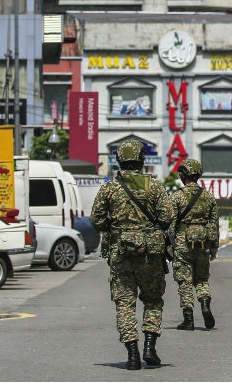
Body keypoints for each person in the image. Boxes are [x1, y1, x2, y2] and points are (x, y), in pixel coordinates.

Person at [91, 140, 174, 370]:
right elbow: (167, 217)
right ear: (141, 160)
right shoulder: (154, 186)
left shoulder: (109, 187)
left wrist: (115, 226)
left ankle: (132, 355)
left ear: (119, 160)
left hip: (121, 253)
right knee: (153, 299)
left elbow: (96, 220)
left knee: (124, 303)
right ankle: (150, 346)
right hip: (150, 253)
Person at [170, 158, 219, 330]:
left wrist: (170, 246)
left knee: (184, 281)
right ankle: (205, 305)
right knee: (202, 278)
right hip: (203, 243)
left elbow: (170, 223)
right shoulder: (208, 197)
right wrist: (214, 247)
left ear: (183, 176)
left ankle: (188, 319)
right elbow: (214, 224)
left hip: (183, 242)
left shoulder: (177, 196)